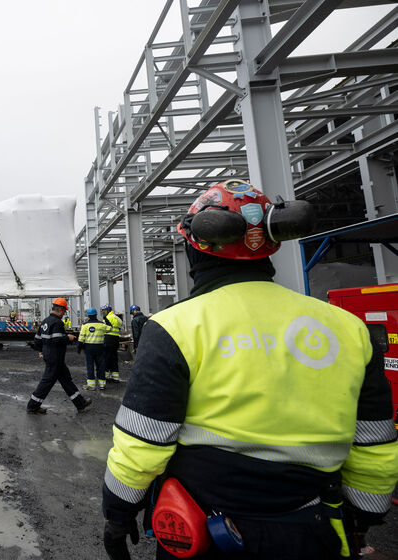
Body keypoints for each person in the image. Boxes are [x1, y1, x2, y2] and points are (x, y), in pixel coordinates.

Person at [101, 180, 398, 559]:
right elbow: (373, 440)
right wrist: (364, 514)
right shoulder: (347, 327)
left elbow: (143, 442)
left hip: (210, 532)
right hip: (315, 526)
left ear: (195, 249)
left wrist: (118, 512)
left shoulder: (176, 326)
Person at [27, 297, 92, 414]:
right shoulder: (57, 322)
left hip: (52, 357)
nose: (64, 314)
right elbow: (57, 339)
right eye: (64, 311)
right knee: (46, 382)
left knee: (66, 380)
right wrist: (68, 337)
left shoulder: (45, 321)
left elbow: (37, 340)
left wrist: (41, 351)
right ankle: (32, 406)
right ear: (60, 310)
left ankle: (80, 403)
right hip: (55, 358)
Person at [78, 307, 110, 390]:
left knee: (90, 365)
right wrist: (106, 319)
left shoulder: (85, 325)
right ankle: (102, 384)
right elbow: (110, 328)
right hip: (100, 347)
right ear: (96, 315)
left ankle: (91, 385)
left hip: (88, 348)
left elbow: (81, 338)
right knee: (101, 365)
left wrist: (79, 348)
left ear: (88, 316)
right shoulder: (101, 324)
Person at [101, 304, 122, 382]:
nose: (103, 312)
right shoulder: (117, 317)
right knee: (114, 358)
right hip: (116, 340)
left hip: (108, 339)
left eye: (104, 311)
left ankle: (106, 376)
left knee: (106, 358)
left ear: (108, 310)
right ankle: (115, 377)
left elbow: (103, 329)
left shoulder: (107, 318)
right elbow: (120, 325)